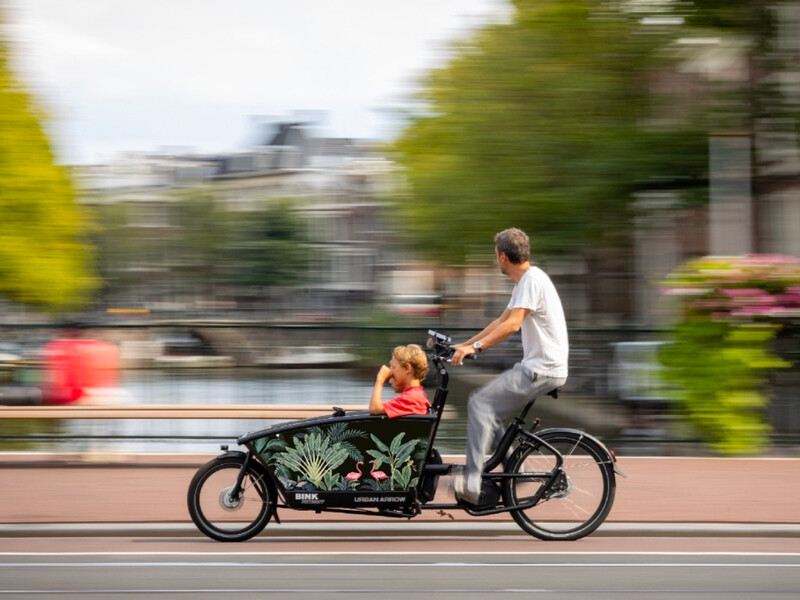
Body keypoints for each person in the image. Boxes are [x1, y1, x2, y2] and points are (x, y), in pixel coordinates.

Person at [450, 228, 568, 505]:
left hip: (542, 368)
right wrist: (464, 346)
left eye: (495, 256)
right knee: (486, 409)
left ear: (503, 257)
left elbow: (513, 326)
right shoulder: (525, 282)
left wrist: (476, 348)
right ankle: (516, 470)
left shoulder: (531, 280)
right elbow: (500, 321)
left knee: (479, 403)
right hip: (540, 366)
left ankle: (471, 481)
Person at [369, 344, 431, 418]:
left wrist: (380, 380)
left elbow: (374, 409)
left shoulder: (411, 398)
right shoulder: (415, 395)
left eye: (393, 367)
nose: (390, 372)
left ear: (407, 368)